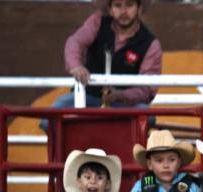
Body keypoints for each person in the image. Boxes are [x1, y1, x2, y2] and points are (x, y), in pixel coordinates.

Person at [47, 0, 162, 131]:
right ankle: (66, 151)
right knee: (50, 118)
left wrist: (120, 95)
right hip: (87, 96)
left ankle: (129, 151)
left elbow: (147, 89)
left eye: (129, 5)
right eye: (118, 5)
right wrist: (76, 66)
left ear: (139, 8)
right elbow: (75, 42)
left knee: (147, 117)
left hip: (124, 105)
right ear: (110, 8)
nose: (123, 12)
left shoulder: (151, 44)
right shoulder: (97, 22)